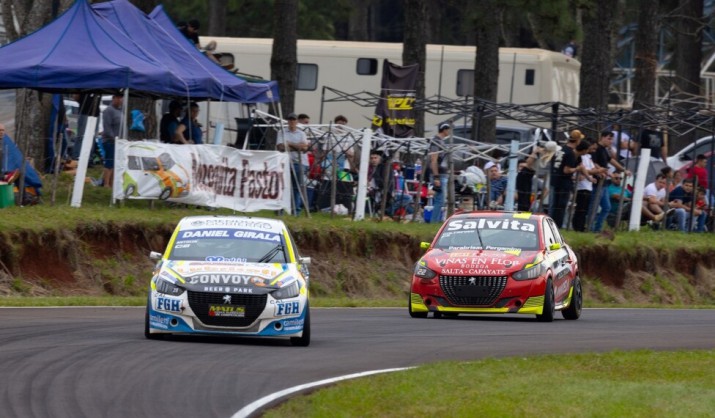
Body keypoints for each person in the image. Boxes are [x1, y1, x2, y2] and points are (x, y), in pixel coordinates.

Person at [590, 130, 629, 232]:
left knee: (606, 207)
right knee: (594, 206)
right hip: (597, 182)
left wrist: (623, 169)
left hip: (605, 183)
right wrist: (603, 172)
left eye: (612, 139)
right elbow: (593, 162)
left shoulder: (604, 150)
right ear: (602, 137)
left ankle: (597, 228)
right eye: (609, 138)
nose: (611, 141)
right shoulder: (596, 148)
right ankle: (590, 227)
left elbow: (611, 160)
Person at [549, 129, 585, 228]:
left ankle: (551, 225)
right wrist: (577, 168)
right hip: (564, 183)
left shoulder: (561, 149)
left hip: (555, 180)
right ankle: (558, 226)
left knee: (554, 205)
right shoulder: (570, 153)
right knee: (561, 207)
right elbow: (566, 170)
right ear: (577, 141)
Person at [277, 113, 310, 215]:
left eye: (293, 120)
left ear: (296, 121)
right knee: (284, 186)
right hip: (285, 162)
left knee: (297, 187)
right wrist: (298, 147)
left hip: (298, 163)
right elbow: (281, 147)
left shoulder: (301, 134)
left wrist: (290, 144)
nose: (291, 122)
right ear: (287, 121)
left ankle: (296, 211)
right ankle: (281, 210)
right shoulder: (281, 132)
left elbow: (305, 148)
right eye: (290, 119)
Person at [572, 139, 599, 232]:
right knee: (580, 208)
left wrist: (591, 176)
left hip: (588, 186)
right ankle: (577, 227)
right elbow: (585, 169)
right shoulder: (580, 157)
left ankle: (581, 226)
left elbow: (591, 169)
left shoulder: (588, 157)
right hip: (581, 186)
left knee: (584, 209)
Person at [427, 123, 450, 223]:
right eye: (448, 129)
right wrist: (436, 177)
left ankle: (435, 220)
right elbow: (433, 159)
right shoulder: (436, 142)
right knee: (439, 200)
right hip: (439, 175)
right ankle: (434, 221)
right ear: (444, 130)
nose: (449, 132)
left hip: (442, 174)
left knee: (440, 200)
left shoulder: (441, 141)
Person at [101, 94, 123, 188]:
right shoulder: (109, 110)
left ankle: (112, 183)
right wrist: (113, 138)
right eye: (118, 98)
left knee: (115, 163)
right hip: (110, 141)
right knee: (109, 162)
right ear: (114, 98)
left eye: (121, 98)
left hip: (119, 142)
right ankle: (106, 183)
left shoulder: (120, 111)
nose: (120, 100)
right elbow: (107, 127)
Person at [71, 93, 100, 162]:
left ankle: (89, 158)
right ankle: (76, 156)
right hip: (84, 112)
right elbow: (75, 97)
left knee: (92, 137)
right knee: (81, 135)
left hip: (96, 113)